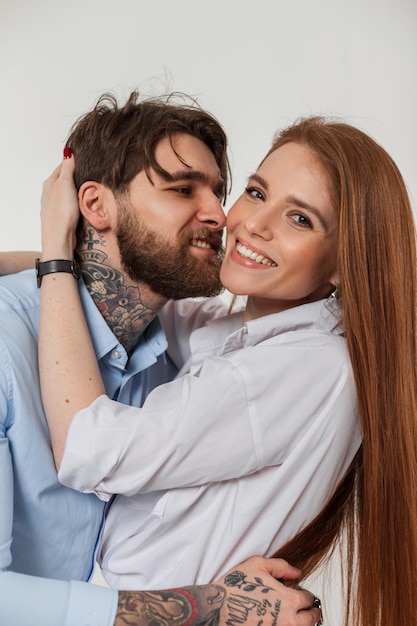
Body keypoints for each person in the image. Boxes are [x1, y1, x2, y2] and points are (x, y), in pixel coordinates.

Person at [37, 114, 417, 626]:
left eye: (300, 219)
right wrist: (44, 254)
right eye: (258, 193)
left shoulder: (307, 366)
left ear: (343, 264)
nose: (254, 223)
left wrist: (57, 253)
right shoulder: (245, 330)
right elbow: (140, 283)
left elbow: (89, 448)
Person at [0, 91, 322, 626]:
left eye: (219, 191)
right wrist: (207, 608)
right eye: (182, 189)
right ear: (95, 205)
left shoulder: (172, 356)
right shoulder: (5, 345)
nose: (220, 215)